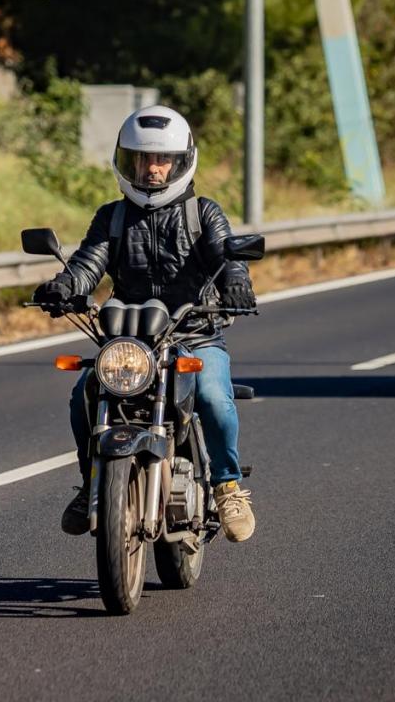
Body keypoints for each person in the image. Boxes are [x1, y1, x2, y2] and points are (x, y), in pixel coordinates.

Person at [32, 106, 259, 542]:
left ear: (180, 162)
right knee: (85, 393)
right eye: (141, 159)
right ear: (126, 161)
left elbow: (227, 259)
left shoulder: (203, 213)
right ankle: (92, 482)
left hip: (193, 334)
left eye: (161, 160)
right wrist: (64, 285)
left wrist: (237, 284)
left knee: (213, 397)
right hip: (131, 341)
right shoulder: (112, 217)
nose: (152, 169)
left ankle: (227, 485)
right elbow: (88, 262)